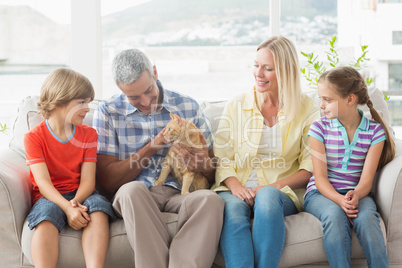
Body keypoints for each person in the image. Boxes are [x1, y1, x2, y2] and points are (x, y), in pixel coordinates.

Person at [93, 48, 224, 268]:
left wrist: (205, 166)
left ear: (155, 72)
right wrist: (153, 146)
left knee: (210, 200)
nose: (145, 102)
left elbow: (212, 172)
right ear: (120, 89)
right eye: (134, 97)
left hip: (179, 193)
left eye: (148, 91)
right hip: (136, 193)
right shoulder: (107, 112)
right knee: (131, 191)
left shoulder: (187, 106)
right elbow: (107, 181)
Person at [211, 35, 320, 268]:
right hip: (236, 187)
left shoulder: (307, 108)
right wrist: (236, 187)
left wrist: (272, 187)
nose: (258, 74)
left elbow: (310, 166)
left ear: (285, 72)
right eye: (256, 65)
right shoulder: (237, 105)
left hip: (281, 192)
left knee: (267, 197)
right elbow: (222, 156)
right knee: (231, 208)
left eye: (267, 68)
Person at [303, 66, 395, 267]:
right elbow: (320, 179)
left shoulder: (375, 132)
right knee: (335, 216)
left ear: (350, 99)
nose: (321, 105)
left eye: (327, 100)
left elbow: (367, 179)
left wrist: (356, 196)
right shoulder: (319, 128)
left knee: (368, 220)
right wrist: (339, 200)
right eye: (321, 99)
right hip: (321, 193)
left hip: (358, 193)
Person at [24, 68, 114, 268]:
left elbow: (88, 181)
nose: (88, 108)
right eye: (82, 102)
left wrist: (74, 204)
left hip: (81, 194)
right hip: (49, 196)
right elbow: (43, 183)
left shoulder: (89, 134)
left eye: (89, 102)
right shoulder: (34, 137)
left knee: (98, 208)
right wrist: (66, 208)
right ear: (59, 101)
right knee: (46, 216)